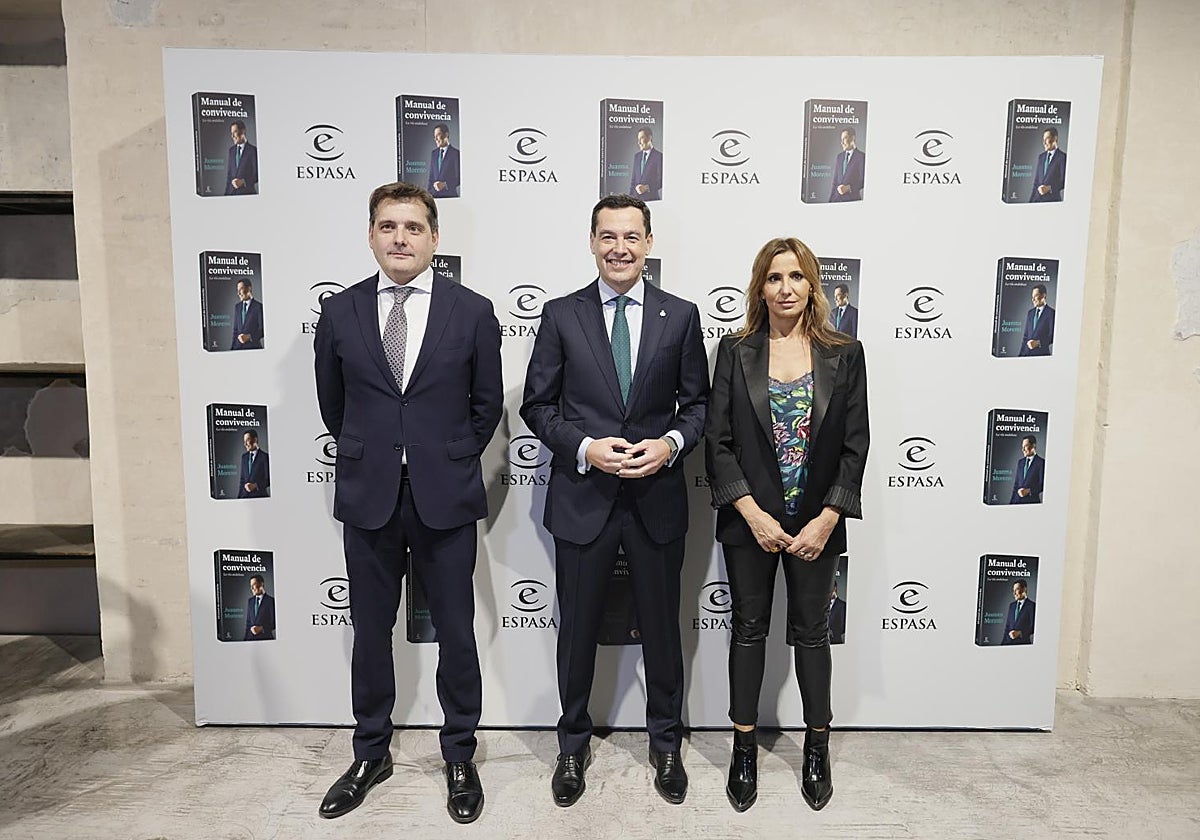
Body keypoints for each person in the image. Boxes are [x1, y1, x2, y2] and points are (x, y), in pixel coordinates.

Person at [314, 182, 502, 824]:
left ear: (434, 238)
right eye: (389, 226)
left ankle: (460, 755)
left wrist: (447, 456)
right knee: (370, 631)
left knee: (456, 631)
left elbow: (486, 405)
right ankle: (371, 753)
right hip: (369, 496)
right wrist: (375, 452)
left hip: (444, 496)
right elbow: (333, 405)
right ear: (371, 235)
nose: (401, 238)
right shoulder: (339, 313)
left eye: (414, 227)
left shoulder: (472, 311)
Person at [520, 194, 708, 807]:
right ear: (592, 242)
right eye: (608, 236)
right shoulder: (561, 315)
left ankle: (666, 744)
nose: (619, 248)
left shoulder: (681, 316)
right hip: (584, 497)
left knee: (662, 630)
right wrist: (584, 448)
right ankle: (572, 746)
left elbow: (698, 406)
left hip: (657, 499)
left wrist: (670, 444)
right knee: (576, 631)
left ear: (648, 243)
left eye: (631, 236)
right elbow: (536, 405)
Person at [705, 236, 869, 813]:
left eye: (796, 276)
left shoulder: (845, 353)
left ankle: (817, 748)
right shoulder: (735, 350)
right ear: (760, 288)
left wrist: (827, 518)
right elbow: (718, 443)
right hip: (749, 521)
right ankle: (743, 748)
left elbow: (855, 446)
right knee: (748, 630)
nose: (785, 288)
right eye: (774, 278)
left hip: (817, 524)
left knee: (812, 633)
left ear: (812, 285)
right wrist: (751, 513)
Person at [1029, 127, 1066, 202]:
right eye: (1043, 139)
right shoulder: (1041, 157)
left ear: (1055, 139)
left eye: (1046, 139)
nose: (1044, 143)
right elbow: (1036, 183)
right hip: (1037, 200)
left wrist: (1049, 188)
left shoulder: (1062, 157)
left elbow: (1063, 182)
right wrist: (1030, 203)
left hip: (1052, 201)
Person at [828, 128, 865, 202]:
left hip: (852, 200)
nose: (842, 142)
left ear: (852, 138)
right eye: (841, 139)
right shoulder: (839, 157)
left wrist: (849, 188)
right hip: (836, 200)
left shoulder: (861, 157)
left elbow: (863, 181)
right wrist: (830, 202)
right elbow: (835, 182)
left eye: (844, 138)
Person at [1018, 284, 1055, 356]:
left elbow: (1052, 336)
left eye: (1035, 296)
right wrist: (1020, 356)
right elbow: (1025, 337)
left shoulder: (1051, 313)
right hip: (1026, 355)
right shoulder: (1030, 313)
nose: (1033, 299)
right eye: (1032, 297)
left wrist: (1038, 343)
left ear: (1043, 296)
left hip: (1041, 355)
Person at [628, 127, 663, 201]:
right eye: (638, 139)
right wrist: (629, 200)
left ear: (649, 138)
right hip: (636, 201)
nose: (639, 142)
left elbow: (662, 181)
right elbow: (633, 181)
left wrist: (647, 188)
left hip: (652, 200)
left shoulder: (659, 156)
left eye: (641, 138)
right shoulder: (637, 156)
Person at [225, 120, 258, 196]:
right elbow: (229, 176)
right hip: (231, 194)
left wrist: (243, 181)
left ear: (243, 131)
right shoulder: (231, 151)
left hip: (247, 194)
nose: (232, 136)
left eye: (235, 132)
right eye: (231, 133)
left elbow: (257, 175)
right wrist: (225, 196)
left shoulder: (253, 150)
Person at [428, 124, 461, 199]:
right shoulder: (434, 153)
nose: (435, 139)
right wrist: (429, 195)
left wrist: (444, 185)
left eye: (438, 135)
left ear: (446, 135)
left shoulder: (455, 153)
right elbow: (431, 177)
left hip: (450, 197)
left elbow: (459, 178)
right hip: (434, 197)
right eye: (434, 136)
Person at [1009, 435, 1044, 504]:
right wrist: (1010, 504)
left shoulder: (1041, 463)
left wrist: (1028, 491)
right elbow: (1016, 485)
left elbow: (1042, 485)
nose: (1023, 450)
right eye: (1022, 447)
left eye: (1025, 446)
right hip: (1017, 502)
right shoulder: (1020, 462)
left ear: (1033, 446)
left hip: (1031, 503)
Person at [231, 279, 264, 350]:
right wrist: (232, 349)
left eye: (241, 289)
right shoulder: (237, 307)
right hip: (237, 348)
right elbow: (235, 331)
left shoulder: (258, 307)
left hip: (253, 348)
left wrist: (249, 337)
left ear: (249, 289)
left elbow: (263, 330)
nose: (238, 293)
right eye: (237, 290)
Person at [237, 430, 270, 498]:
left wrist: (255, 485)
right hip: (244, 497)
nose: (245, 444)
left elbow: (269, 480)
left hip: (260, 497)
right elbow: (242, 481)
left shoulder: (265, 457)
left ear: (255, 440)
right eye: (244, 441)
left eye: (247, 440)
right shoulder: (244, 457)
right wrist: (238, 499)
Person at [1002, 580, 1036, 644]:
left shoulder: (1032, 606)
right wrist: (1002, 644)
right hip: (1008, 643)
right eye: (1013, 590)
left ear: (1024, 589)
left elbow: (1033, 627)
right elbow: (1007, 627)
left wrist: (1020, 633)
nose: (1014, 593)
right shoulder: (1012, 605)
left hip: (1023, 644)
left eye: (1017, 589)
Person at [243, 575, 276, 641]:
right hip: (250, 640)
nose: (251, 588)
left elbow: (274, 623)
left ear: (261, 584)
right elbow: (248, 623)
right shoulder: (250, 601)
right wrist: (244, 641)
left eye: (253, 585)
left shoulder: (271, 601)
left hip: (265, 639)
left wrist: (261, 628)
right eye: (251, 586)